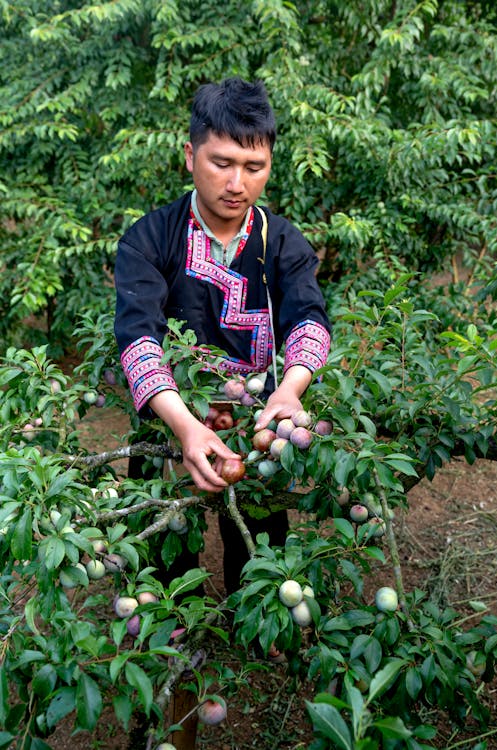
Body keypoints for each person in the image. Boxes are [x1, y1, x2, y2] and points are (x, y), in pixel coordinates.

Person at [114, 77, 331, 596]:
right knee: (165, 537)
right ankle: (168, 628)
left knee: (260, 537)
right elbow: (138, 339)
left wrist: (288, 391)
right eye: (222, 163)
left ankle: (255, 625)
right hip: (171, 421)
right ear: (190, 156)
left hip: (257, 420)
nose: (237, 182)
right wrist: (186, 427)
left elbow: (310, 323)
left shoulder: (283, 244)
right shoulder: (149, 239)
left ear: (269, 166)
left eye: (253, 168)